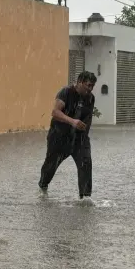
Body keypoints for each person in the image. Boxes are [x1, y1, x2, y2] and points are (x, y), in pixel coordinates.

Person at [38, 71, 97, 202]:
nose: (90, 89)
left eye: (92, 86)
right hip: (59, 136)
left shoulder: (90, 98)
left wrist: (84, 137)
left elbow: (88, 118)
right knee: (51, 165)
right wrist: (72, 121)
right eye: (88, 85)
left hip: (79, 138)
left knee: (85, 163)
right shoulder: (65, 92)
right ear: (80, 81)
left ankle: (85, 198)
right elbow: (55, 112)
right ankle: (43, 187)